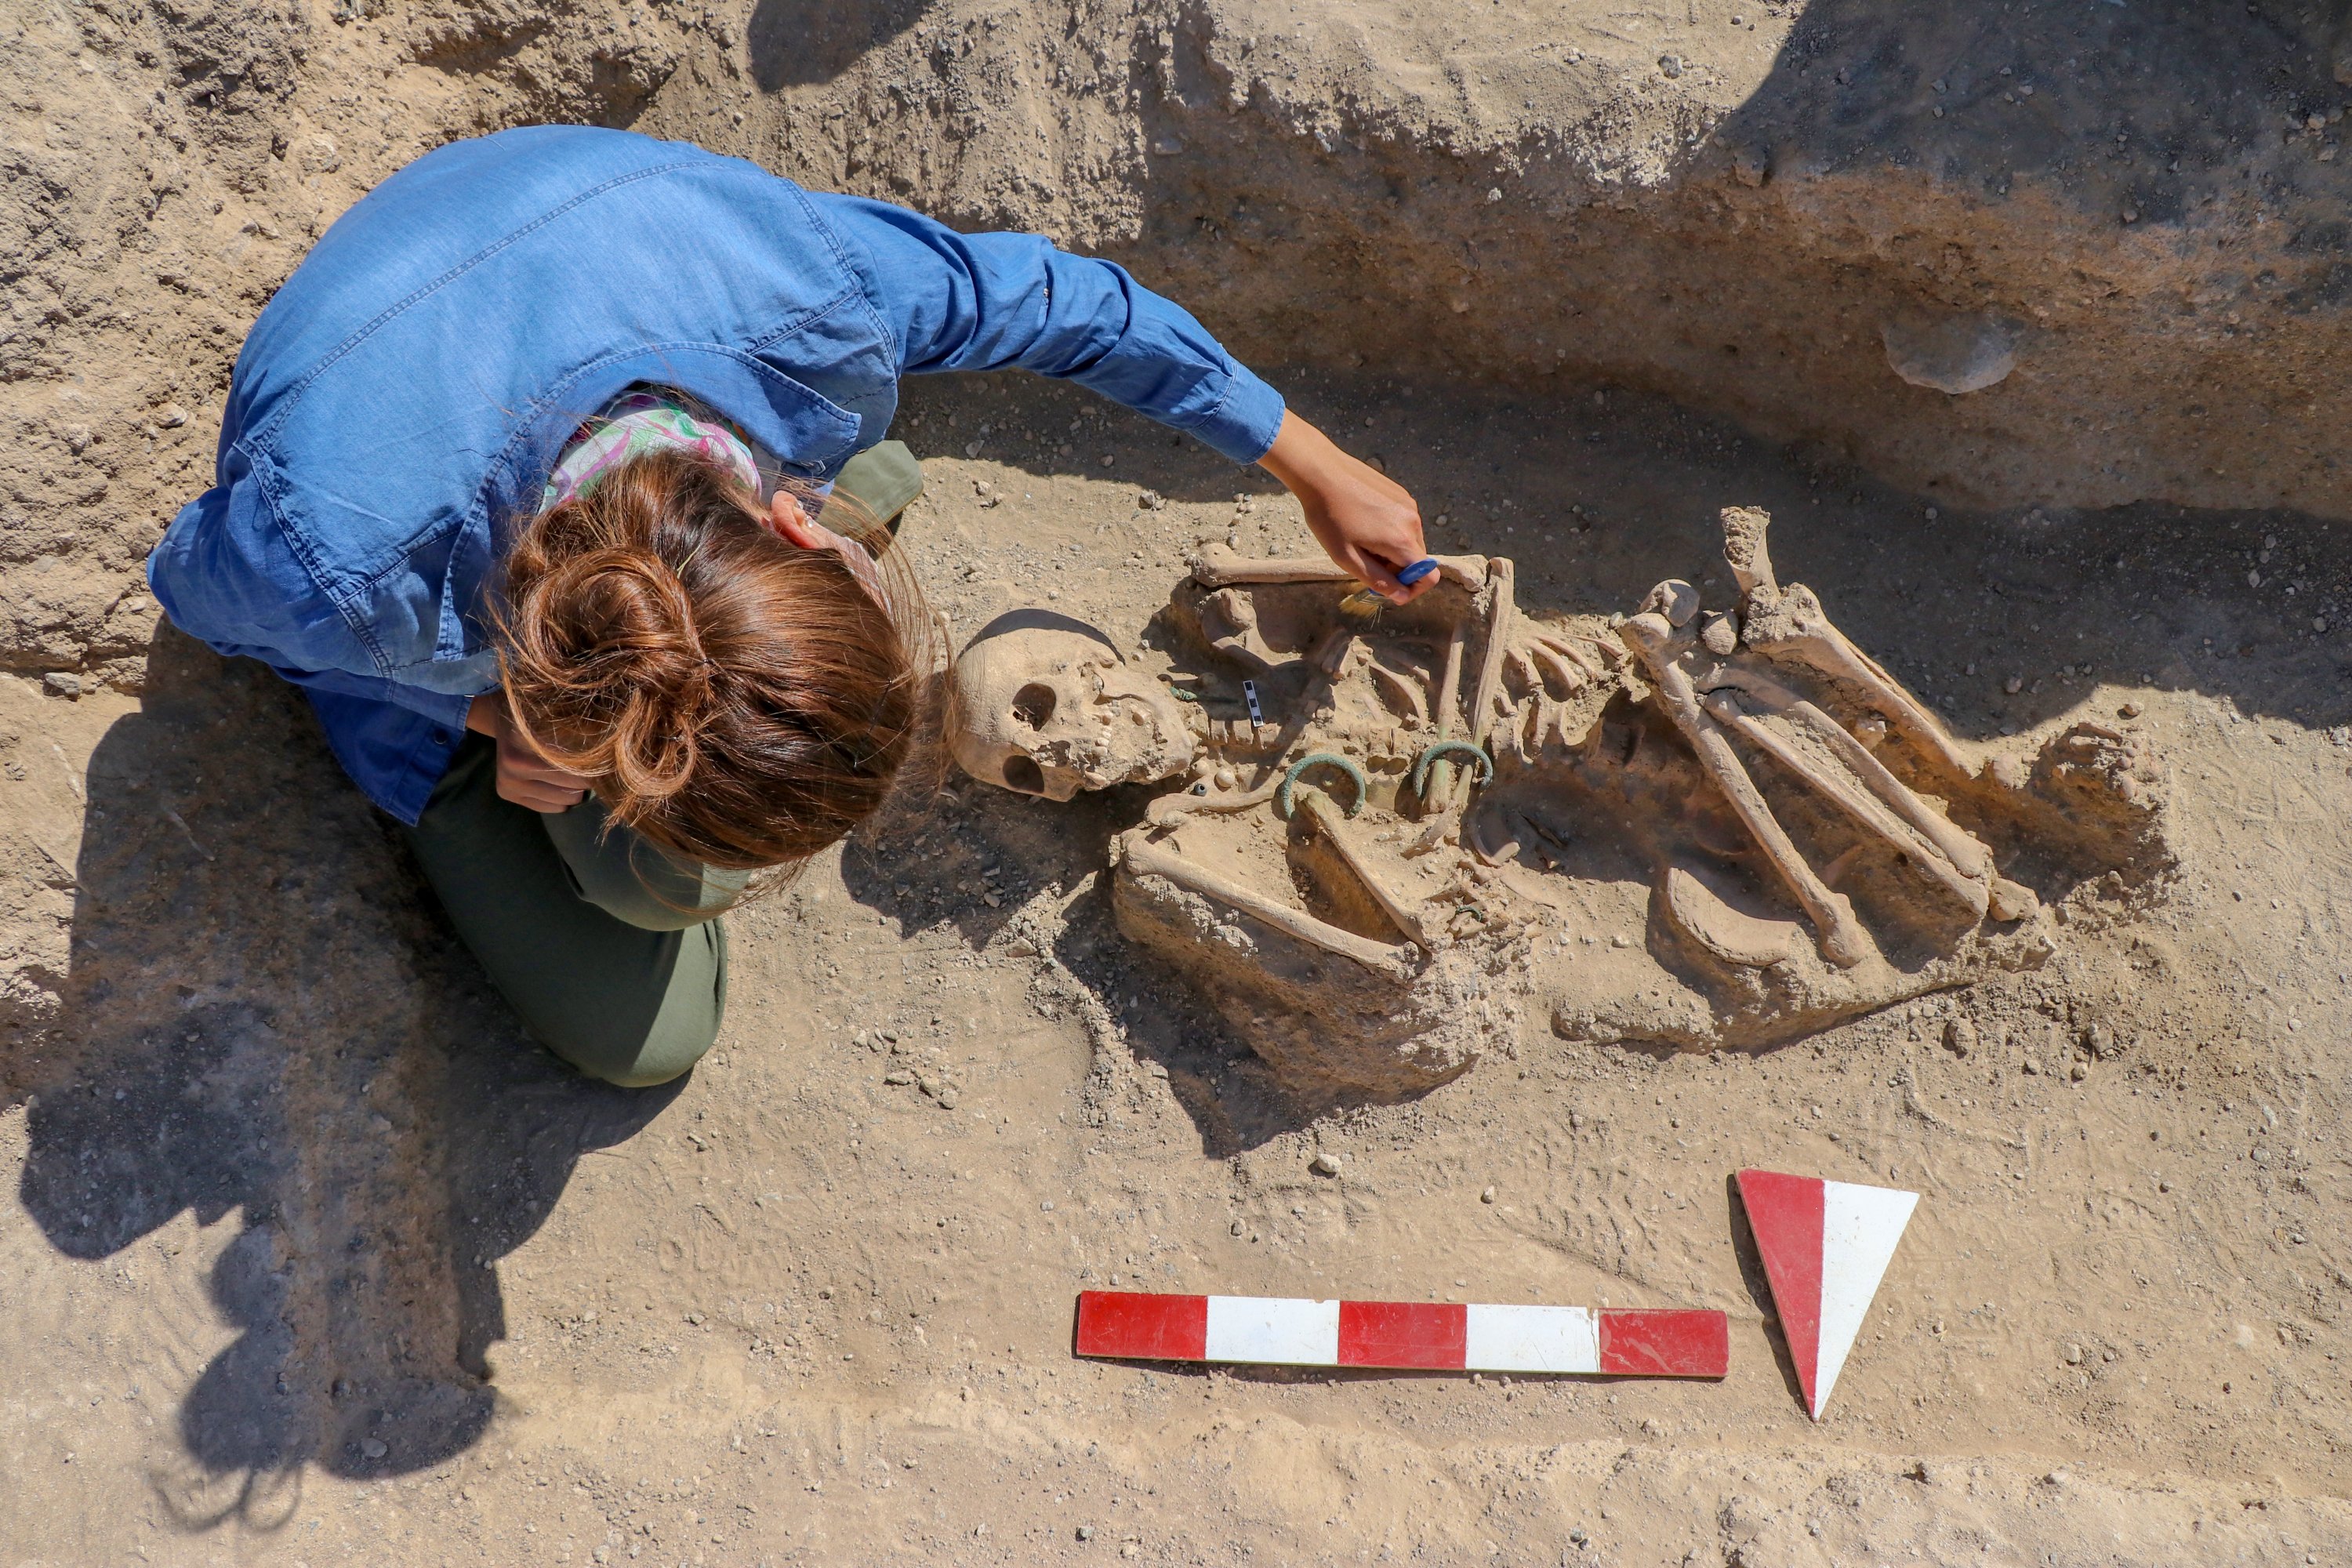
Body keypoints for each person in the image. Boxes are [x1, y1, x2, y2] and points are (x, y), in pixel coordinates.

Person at [147, 125, 1429, 1087]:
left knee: (672, 866)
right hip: (396, 457)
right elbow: (198, 591)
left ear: (796, 526)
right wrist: (493, 714)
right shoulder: (339, 574)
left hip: (597, 254)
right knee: (653, 998)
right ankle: (596, 816)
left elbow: (1063, 303)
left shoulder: (809, 289)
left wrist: (1307, 461)